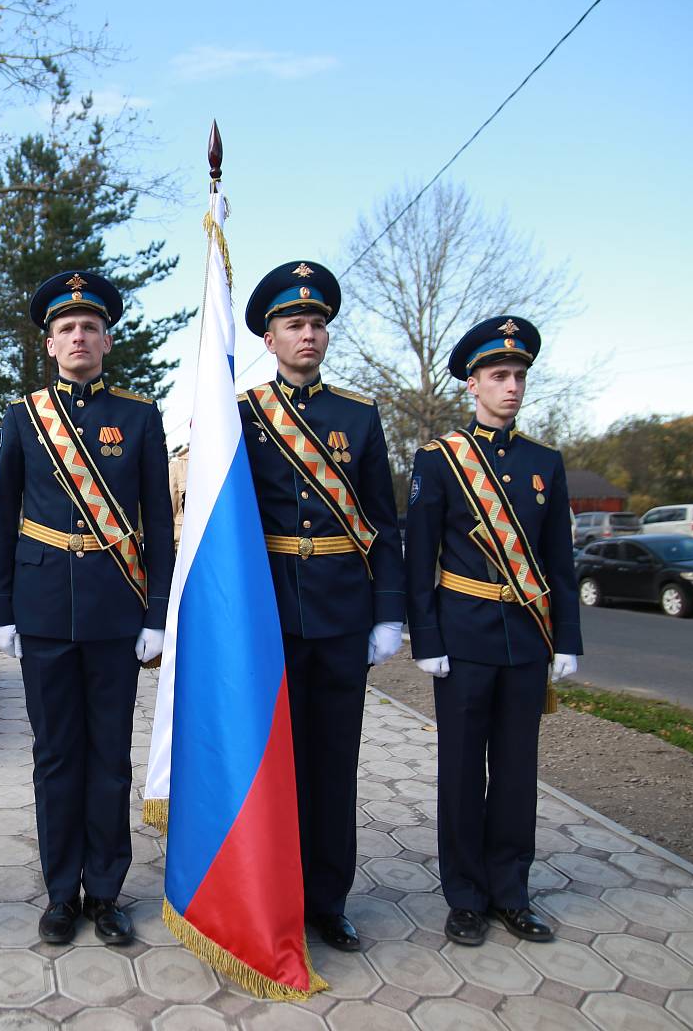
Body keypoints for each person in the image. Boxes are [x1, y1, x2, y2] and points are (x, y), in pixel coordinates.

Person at [0, 270, 175, 947]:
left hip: (116, 609)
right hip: (41, 610)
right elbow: (2, 513)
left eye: (90, 327)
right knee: (56, 756)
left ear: (107, 341)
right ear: (49, 344)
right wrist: (0, 608)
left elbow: (159, 521)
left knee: (110, 760)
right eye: (66, 329)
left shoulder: (140, 417)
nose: (78, 338)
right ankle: (61, 892)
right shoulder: (23, 416)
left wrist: (156, 614)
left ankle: (107, 892)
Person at [238, 261, 405, 953]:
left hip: (340, 614)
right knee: (271, 767)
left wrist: (388, 611)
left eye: (316, 323)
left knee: (333, 765)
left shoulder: (359, 416)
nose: (307, 334)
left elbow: (383, 521)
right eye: (293, 324)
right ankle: (272, 895)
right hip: (268, 615)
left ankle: (328, 900)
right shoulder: (242, 415)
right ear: (270, 338)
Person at [404, 316, 582, 947]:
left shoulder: (544, 462)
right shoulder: (440, 460)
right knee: (460, 771)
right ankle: (465, 896)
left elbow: (560, 561)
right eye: (499, 375)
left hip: (527, 638)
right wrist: (425, 638)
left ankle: (511, 892)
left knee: (515, 771)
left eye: (519, 376)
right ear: (472, 383)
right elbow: (419, 557)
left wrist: (567, 639)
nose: (511, 387)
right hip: (463, 637)